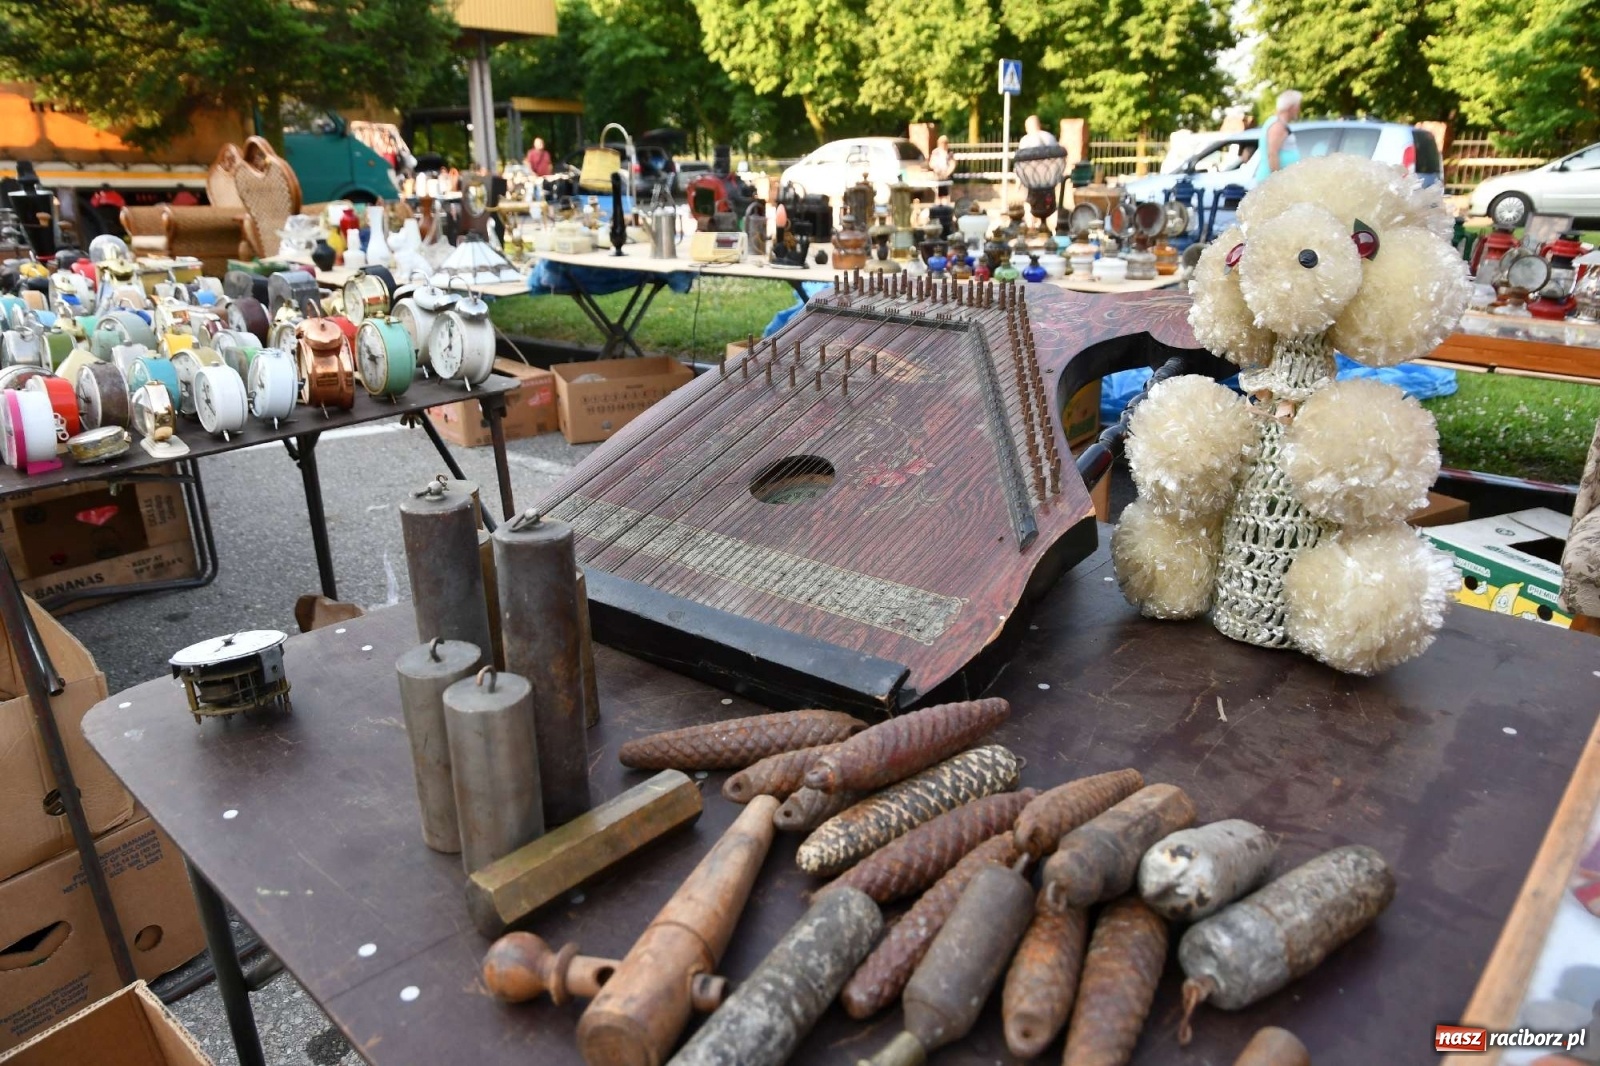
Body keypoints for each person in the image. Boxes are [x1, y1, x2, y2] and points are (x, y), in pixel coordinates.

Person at [1257, 90, 1302, 179]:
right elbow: (1272, 154)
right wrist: (1277, 181)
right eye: (1298, 106)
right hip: (1271, 182)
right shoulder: (1278, 126)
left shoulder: (1279, 123)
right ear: (1291, 107)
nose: (1299, 109)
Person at [928, 135, 956, 202]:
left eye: (945, 142)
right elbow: (931, 164)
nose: (943, 144)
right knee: (938, 195)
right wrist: (937, 170)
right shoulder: (935, 152)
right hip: (938, 176)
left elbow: (952, 165)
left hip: (947, 176)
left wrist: (946, 173)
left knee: (946, 196)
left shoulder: (950, 153)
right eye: (942, 142)